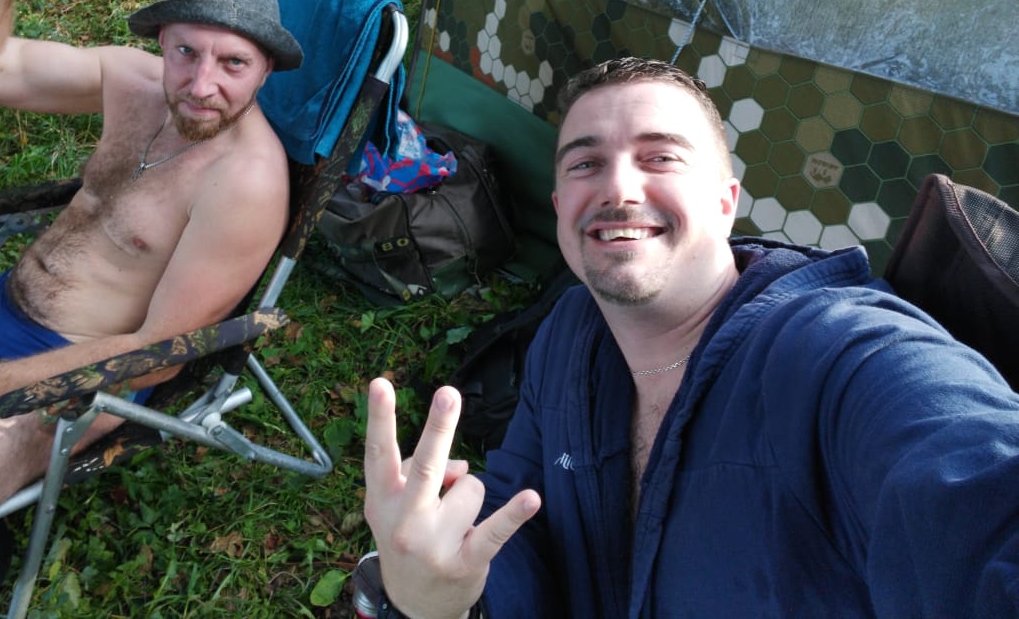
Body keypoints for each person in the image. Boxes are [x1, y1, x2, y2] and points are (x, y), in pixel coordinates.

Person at [362, 57, 1019, 618]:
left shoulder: (839, 355)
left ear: (726, 202)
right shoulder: (568, 335)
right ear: (560, 209)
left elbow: (971, 484)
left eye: (661, 158)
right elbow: (519, 515)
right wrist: (451, 596)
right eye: (586, 163)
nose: (618, 187)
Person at [0, 0, 303, 609]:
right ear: (161, 41)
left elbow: (156, 356)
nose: (201, 85)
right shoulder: (130, 82)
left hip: (72, 385)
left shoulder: (246, 181)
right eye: (186, 52)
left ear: (266, 70)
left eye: (233, 63)